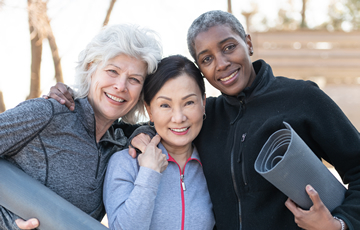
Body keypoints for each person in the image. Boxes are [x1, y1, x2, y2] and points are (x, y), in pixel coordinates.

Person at [47, 11, 360, 230]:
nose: (222, 64)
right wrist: (74, 96)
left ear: (248, 43)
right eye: (207, 59)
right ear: (201, 69)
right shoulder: (207, 116)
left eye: (229, 47)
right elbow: (153, 121)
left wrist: (341, 223)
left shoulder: (301, 98)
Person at [0, 23, 162, 230]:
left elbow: (170, 124)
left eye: (134, 80)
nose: (121, 86)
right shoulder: (48, 113)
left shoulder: (119, 145)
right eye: (112, 71)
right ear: (90, 69)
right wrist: (5, 222)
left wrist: (144, 132)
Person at [103, 55, 215, 230]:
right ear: (150, 110)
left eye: (189, 102)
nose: (179, 118)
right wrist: (149, 173)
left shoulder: (214, 162)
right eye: (165, 105)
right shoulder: (125, 163)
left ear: (203, 103)